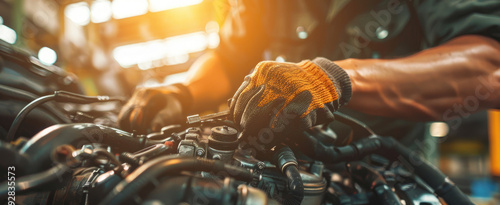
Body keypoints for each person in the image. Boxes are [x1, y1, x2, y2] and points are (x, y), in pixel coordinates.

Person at [118, 0, 500, 150]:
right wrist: (181, 91)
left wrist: (336, 79)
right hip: (280, 160)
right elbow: (230, 58)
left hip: (384, 175)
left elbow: (488, 64)